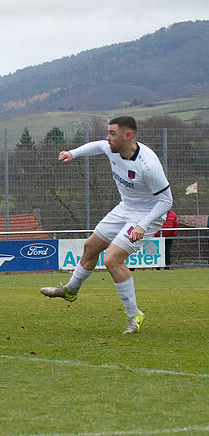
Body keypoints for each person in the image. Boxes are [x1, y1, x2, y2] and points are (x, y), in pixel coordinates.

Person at [41, 116, 172, 334]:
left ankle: (134, 315)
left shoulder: (148, 165)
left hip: (147, 215)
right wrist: (72, 153)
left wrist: (142, 225)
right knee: (91, 247)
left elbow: (166, 201)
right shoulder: (112, 149)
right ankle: (70, 290)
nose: (107, 138)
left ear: (127, 135)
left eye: (112, 133)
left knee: (112, 259)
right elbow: (98, 146)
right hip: (125, 208)